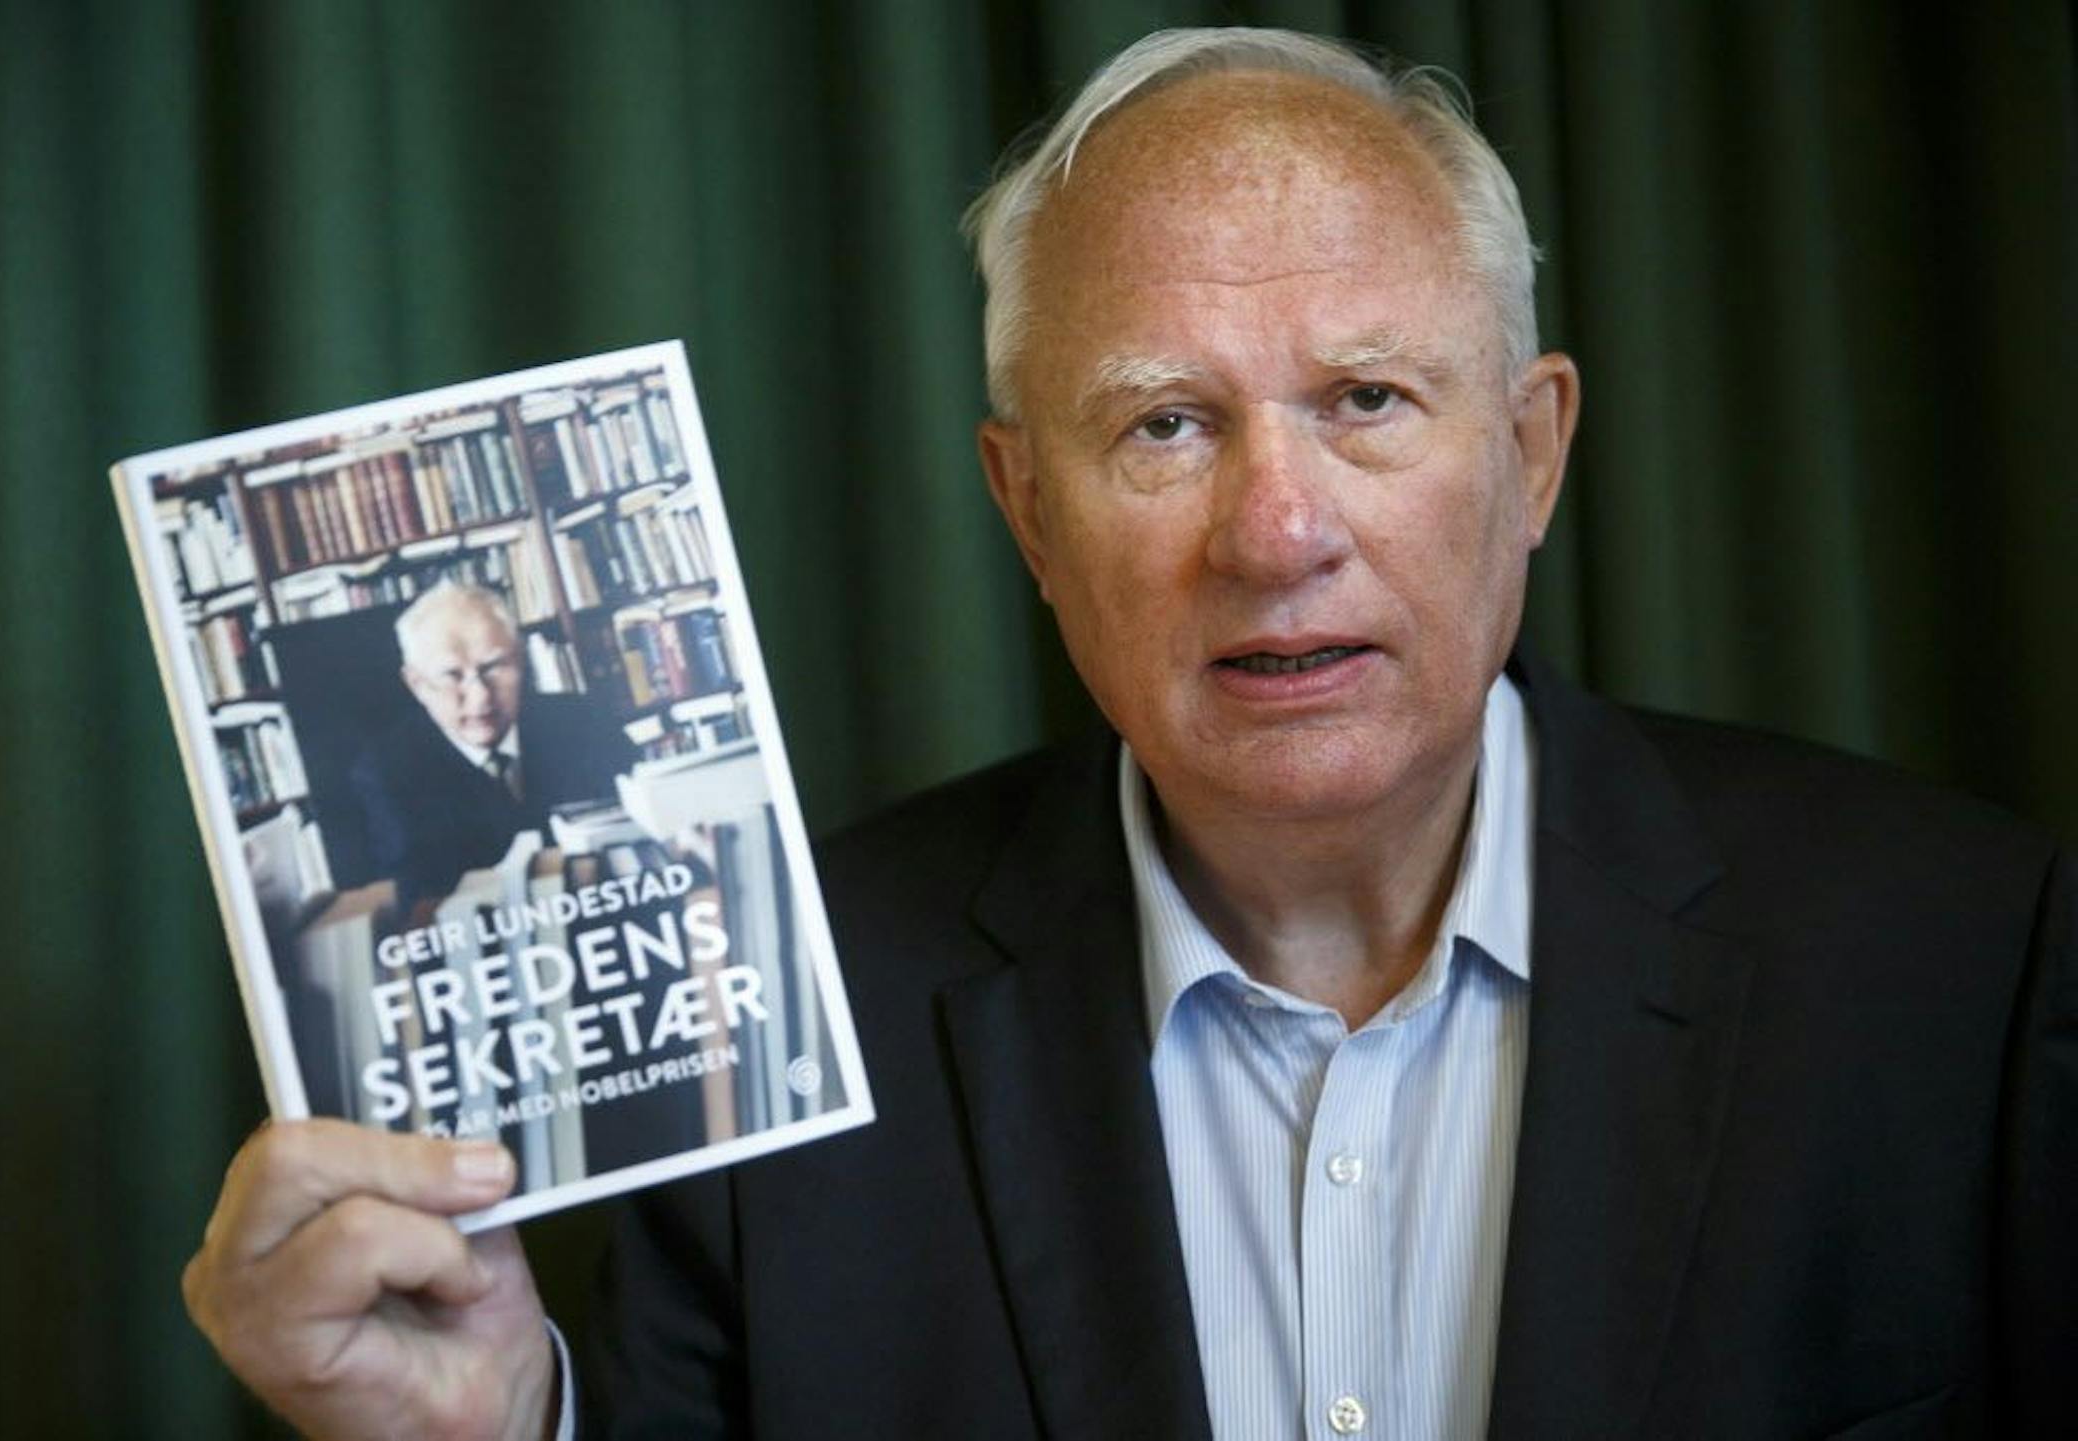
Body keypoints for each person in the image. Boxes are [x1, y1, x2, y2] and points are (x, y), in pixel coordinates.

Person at [183, 27, 2074, 1440]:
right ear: (1025, 509)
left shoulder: (1957, 967)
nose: (1277, 531)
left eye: (1369, 399)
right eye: (1163, 424)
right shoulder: (776, 1010)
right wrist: (504, 1427)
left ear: (1534, 453)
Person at [350, 582, 634, 904]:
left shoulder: (588, 723)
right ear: (417, 685)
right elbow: (419, 902)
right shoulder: (388, 772)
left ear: (521, 660)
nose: (481, 696)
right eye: (452, 676)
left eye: (494, 667)